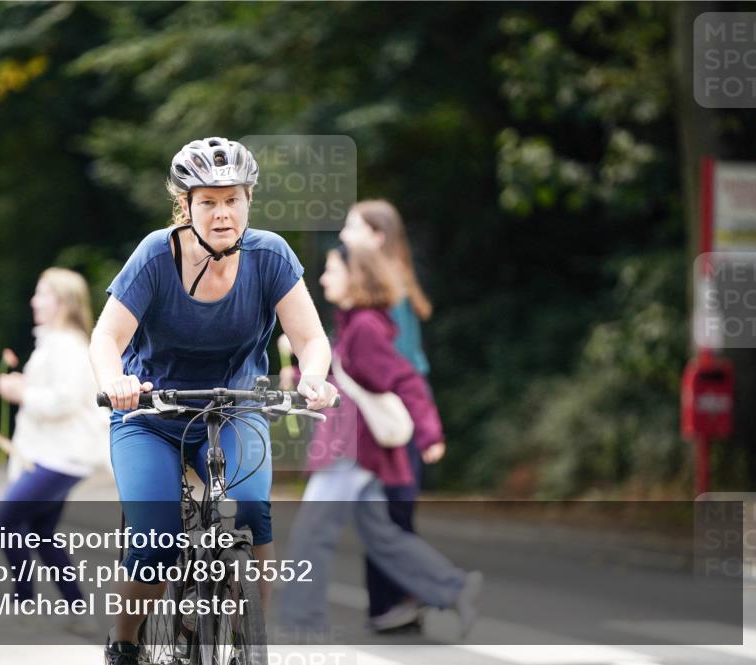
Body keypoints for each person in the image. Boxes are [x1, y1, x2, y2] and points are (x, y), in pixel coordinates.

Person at [89, 137, 338, 665]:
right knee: (155, 537)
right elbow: (105, 337)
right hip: (152, 415)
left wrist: (313, 379)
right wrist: (117, 383)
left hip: (234, 409)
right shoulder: (156, 254)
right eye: (208, 201)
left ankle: (252, 641)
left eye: (233, 199)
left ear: (249, 200)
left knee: (253, 510)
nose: (222, 213)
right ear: (186, 206)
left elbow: (312, 339)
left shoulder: (270, 256)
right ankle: (125, 643)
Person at [278, 244, 482, 639]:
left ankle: (300, 626)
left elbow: (403, 379)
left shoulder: (365, 327)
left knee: (311, 534)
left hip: (351, 451)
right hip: (360, 451)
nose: (323, 279)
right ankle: (452, 588)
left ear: (357, 277)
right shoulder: (353, 324)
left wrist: (430, 433)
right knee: (382, 535)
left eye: (332, 271)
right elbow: (347, 381)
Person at [339, 199, 445, 631]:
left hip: (393, 407)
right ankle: (398, 600)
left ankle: (397, 600)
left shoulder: (383, 288)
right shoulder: (384, 282)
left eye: (353, 227)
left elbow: (394, 367)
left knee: (386, 508)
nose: (344, 235)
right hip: (397, 404)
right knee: (391, 508)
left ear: (377, 237)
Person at [0, 268, 111, 632]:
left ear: (61, 302)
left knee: (5, 520)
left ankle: (22, 603)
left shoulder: (67, 345)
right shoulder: (56, 341)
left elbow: (66, 399)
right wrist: (26, 385)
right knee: (41, 532)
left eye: (41, 293)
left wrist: (19, 392)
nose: (33, 300)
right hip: (54, 453)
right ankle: (78, 609)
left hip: (64, 456)